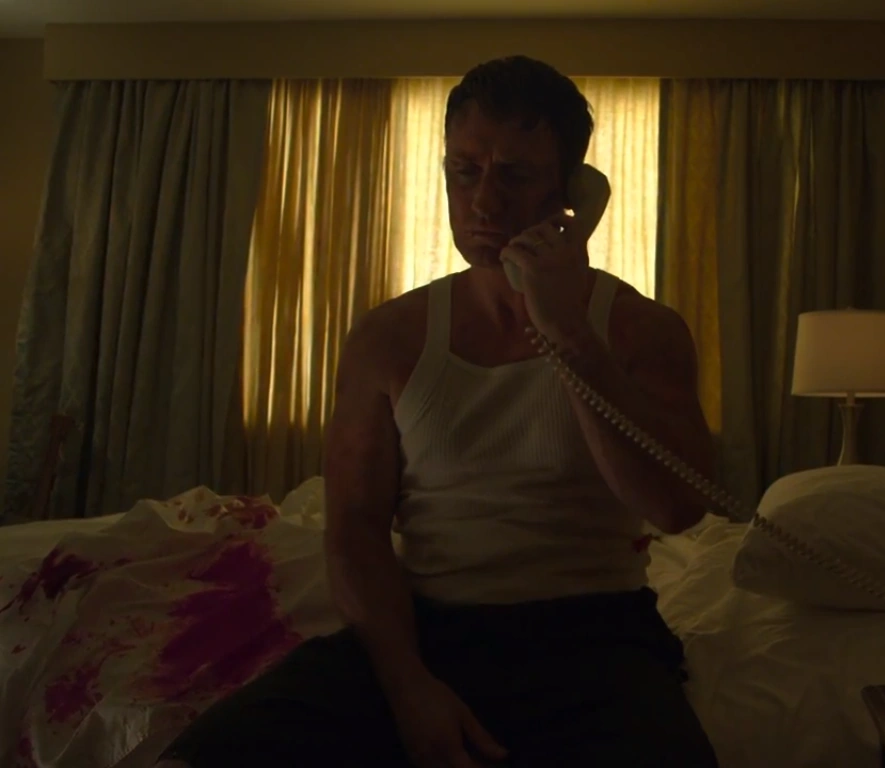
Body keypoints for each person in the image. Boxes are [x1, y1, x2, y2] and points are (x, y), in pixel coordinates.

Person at [157, 55, 719, 768]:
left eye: (514, 175)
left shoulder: (642, 331)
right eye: (464, 171)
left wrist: (569, 333)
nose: (484, 202)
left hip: (595, 638)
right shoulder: (389, 337)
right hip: (428, 631)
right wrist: (408, 687)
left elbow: (675, 507)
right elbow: (356, 529)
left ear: (570, 191)